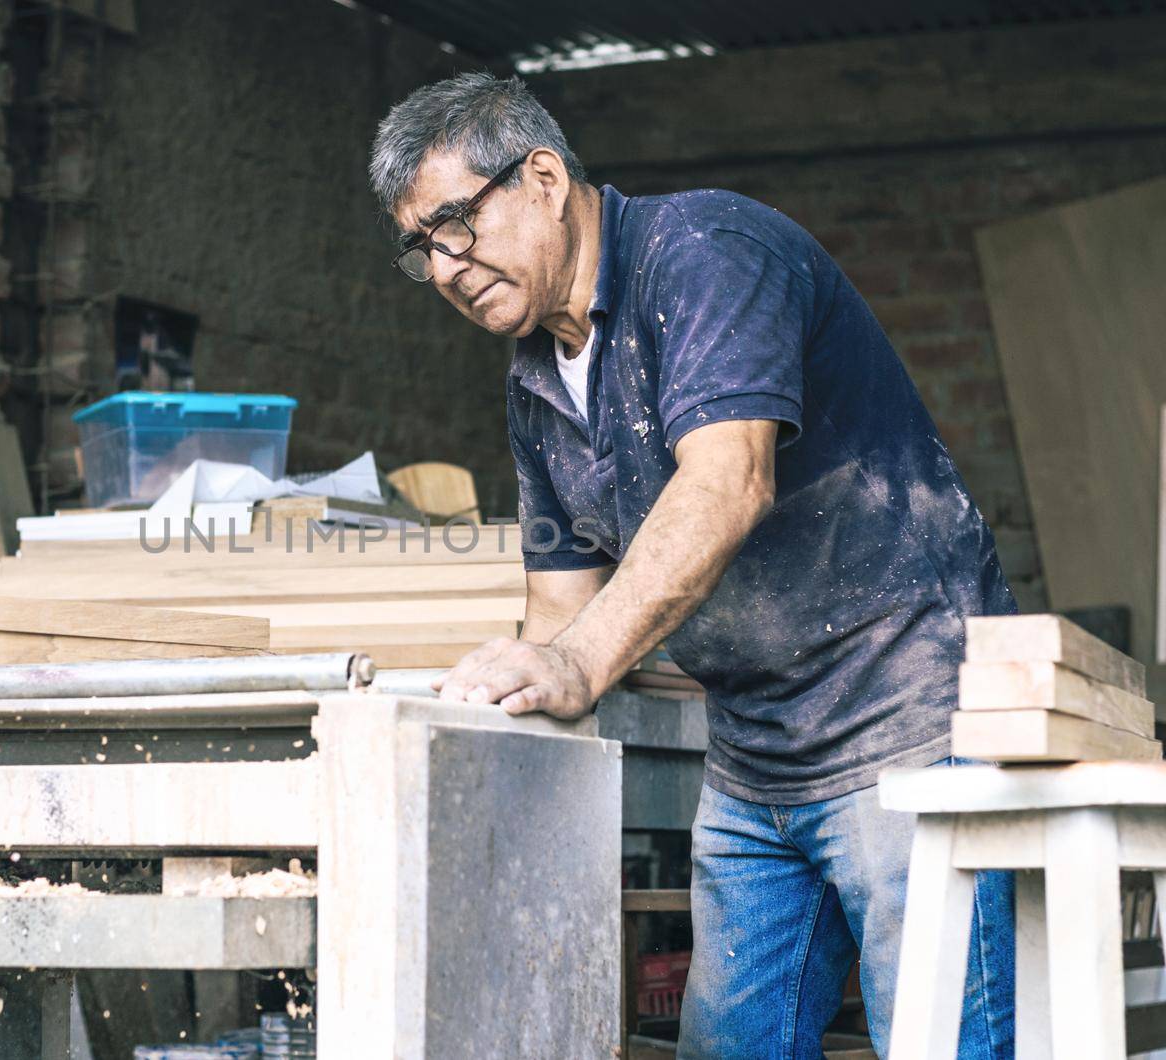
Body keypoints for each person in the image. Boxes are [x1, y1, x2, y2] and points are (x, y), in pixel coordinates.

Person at [368, 72, 1015, 1058]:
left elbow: (726, 482)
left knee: (940, 1041)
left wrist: (580, 662)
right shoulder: (535, 379)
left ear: (541, 177)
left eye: (456, 221)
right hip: (756, 755)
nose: (448, 265)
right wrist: (474, 720)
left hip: (911, 719)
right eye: (422, 245)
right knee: (727, 1045)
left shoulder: (707, 254)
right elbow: (559, 607)